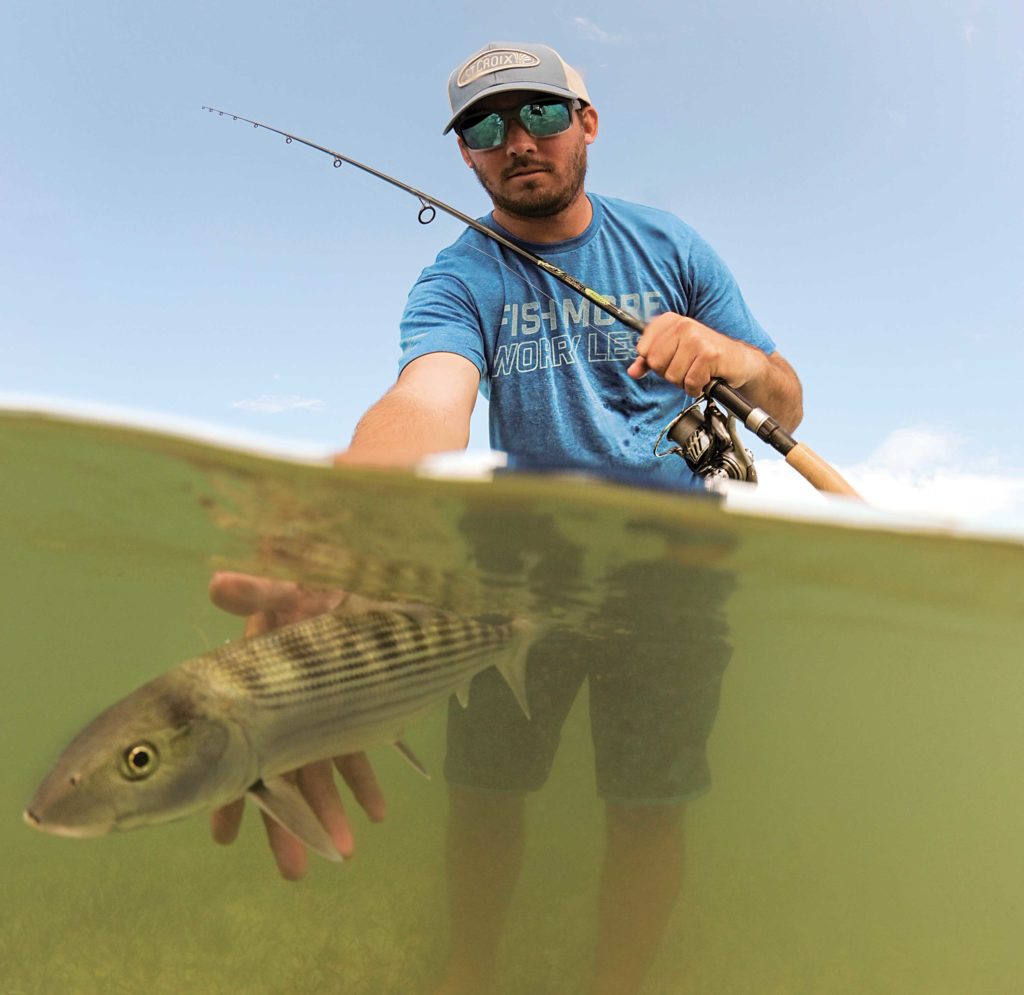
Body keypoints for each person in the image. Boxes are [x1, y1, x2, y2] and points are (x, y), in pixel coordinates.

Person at [210, 41, 803, 994]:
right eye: (484, 126)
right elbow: (427, 398)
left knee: (647, 808)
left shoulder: (673, 246)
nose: (516, 140)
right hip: (506, 577)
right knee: (486, 796)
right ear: (466, 157)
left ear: (588, 122)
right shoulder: (457, 279)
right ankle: (469, 970)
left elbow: (788, 397)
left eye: (539, 114)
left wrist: (726, 352)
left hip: (672, 576)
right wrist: (351, 515)